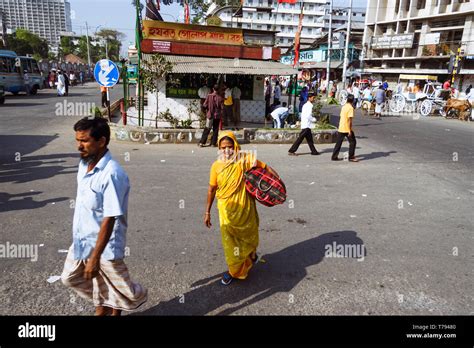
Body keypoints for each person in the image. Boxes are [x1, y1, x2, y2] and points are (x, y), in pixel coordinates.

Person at [61, 117, 147, 316]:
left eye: (84, 141)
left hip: (105, 246)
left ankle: (117, 304)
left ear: (101, 141)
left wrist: (95, 257)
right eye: (77, 140)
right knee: (69, 277)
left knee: (121, 289)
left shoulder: (112, 174)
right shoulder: (84, 164)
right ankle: (105, 303)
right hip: (82, 240)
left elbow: (110, 219)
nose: (78, 146)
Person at [204, 131, 279, 285]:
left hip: (245, 207)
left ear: (235, 146)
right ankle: (235, 271)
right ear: (219, 147)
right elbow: (211, 190)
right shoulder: (216, 166)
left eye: (230, 147)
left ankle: (250, 257)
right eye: (223, 147)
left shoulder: (245, 159)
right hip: (226, 210)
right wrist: (207, 212)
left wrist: (277, 183)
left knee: (247, 234)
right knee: (231, 242)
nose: (227, 151)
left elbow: (265, 168)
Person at [331, 94, 358, 162]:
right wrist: (349, 130)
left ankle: (334, 156)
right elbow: (349, 120)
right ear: (352, 100)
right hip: (346, 128)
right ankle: (351, 156)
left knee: (338, 142)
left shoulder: (344, 106)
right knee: (353, 142)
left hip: (341, 126)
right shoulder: (350, 108)